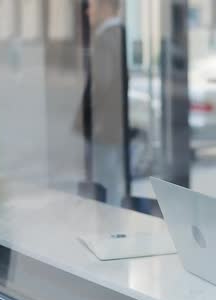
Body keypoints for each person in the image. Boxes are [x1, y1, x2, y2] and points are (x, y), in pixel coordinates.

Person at [76, 0, 126, 206]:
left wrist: (88, 117)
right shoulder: (119, 33)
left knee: (105, 180)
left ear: (105, 6)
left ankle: (108, 224)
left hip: (103, 125)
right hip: (112, 123)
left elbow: (101, 84)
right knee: (111, 178)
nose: (88, 11)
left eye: (92, 5)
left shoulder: (106, 37)